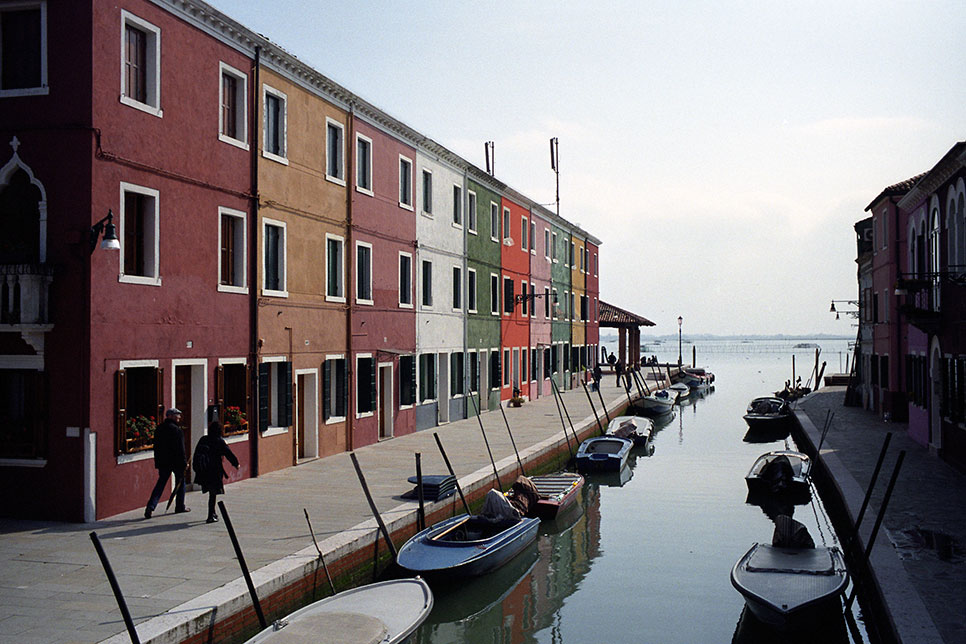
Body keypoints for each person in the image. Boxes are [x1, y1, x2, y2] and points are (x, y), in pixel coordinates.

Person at [144, 408, 189, 518]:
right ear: (171, 416)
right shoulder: (177, 430)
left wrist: (158, 461)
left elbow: (156, 447)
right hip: (176, 462)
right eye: (177, 415)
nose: (179, 417)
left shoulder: (159, 428)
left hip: (163, 461)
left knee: (160, 484)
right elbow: (181, 449)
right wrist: (184, 463)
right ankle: (180, 506)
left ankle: (151, 506)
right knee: (180, 483)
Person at [193, 421, 240, 524]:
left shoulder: (203, 439)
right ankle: (210, 515)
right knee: (213, 494)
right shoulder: (219, 441)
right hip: (215, 470)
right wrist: (236, 464)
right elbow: (228, 453)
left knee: (211, 493)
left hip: (204, 471)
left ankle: (213, 513)